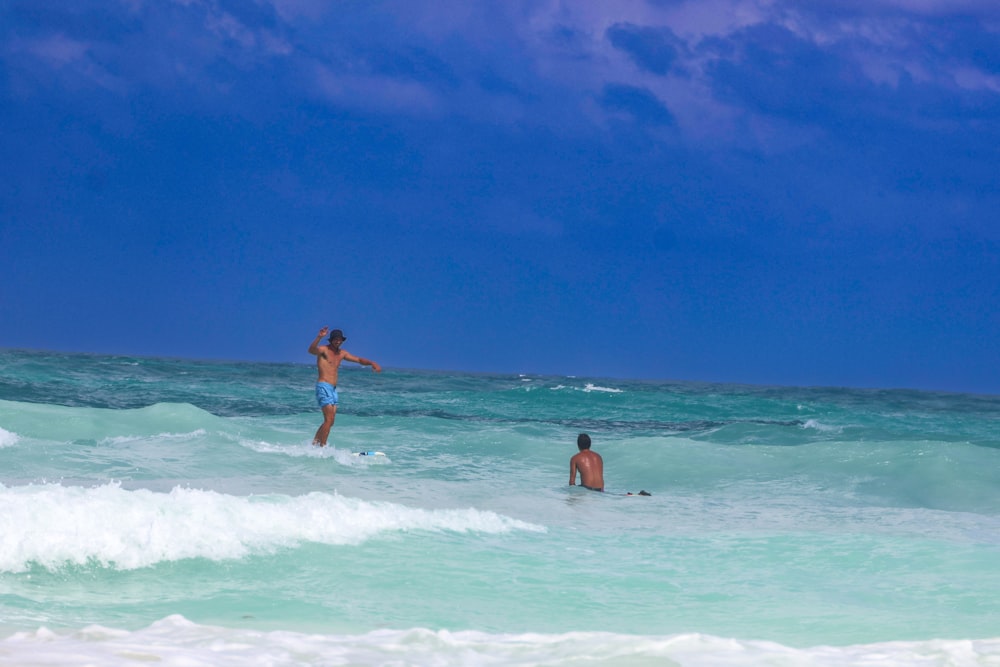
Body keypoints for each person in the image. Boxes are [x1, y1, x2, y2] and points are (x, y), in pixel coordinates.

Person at [308, 326, 381, 446]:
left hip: (333, 389)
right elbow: (311, 350)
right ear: (331, 340)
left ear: (342, 340)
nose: (337, 341)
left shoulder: (342, 353)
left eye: (339, 339)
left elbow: (358, 359)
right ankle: (323, 447)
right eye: (335, 339)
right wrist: (319, 337)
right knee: (329, 419)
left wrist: (372, 363)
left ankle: (315, 443)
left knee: (330, 421)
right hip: (323, 386)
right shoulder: (324, 350)